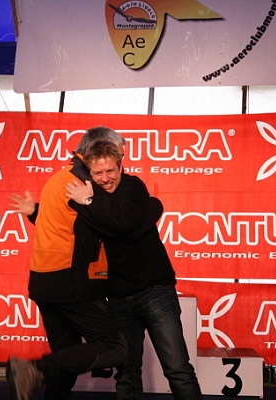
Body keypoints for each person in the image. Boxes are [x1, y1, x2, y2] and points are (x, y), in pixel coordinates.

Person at [65, 139, 203, 400]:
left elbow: (123, 224)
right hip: (117, 297)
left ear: (120, 167)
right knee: (126, 373)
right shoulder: (84, 198)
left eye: (110, 170)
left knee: (177, 369)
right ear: (90, 173)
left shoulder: (132, 186)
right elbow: (93, 240)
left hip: (155, 291)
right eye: (98, 173)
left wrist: (91, 203)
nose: (105, 178)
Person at [6, 127, 127, 400]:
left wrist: (34, 212)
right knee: (115, 345)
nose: (119, 161)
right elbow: (102, 228)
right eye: (117, 154)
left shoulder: (60, 177)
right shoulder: (83, 182)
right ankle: (33, 369)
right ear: (98, 150)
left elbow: (62, 224)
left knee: (67, 357)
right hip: (72, 280)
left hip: (45, 281)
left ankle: (37, 375)